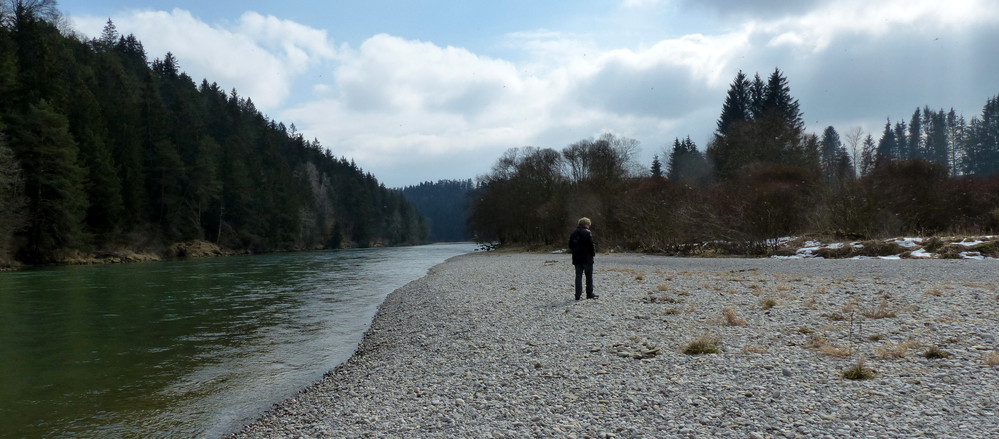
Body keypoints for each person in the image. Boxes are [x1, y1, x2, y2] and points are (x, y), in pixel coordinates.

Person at [568, 217, 597, 300]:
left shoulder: (573, 233)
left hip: (576, 258)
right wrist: (593, 254)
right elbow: (591, 245)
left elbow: (570, 245)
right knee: (588, 276)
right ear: (587, 224)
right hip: (587, 258)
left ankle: (577, 295)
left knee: (578, 276)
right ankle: (589, 293)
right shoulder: (588, 233)